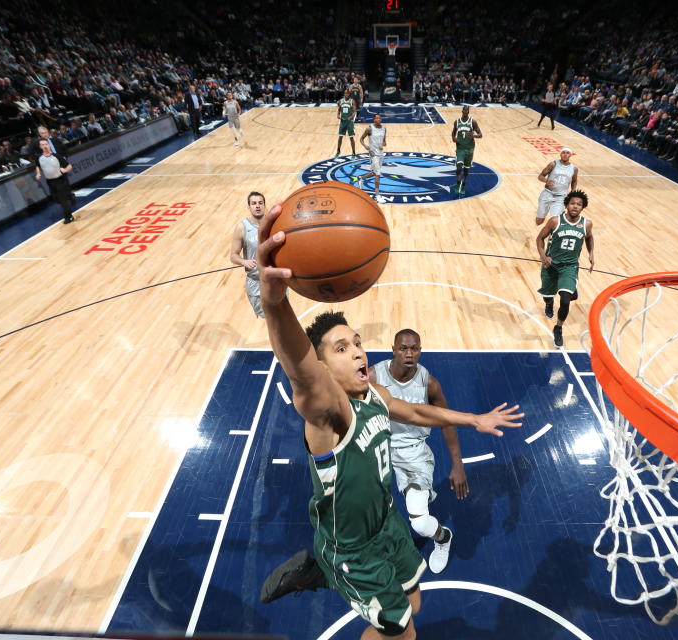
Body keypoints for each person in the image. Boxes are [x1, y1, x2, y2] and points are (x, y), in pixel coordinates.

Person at [255, 203, 523, 639]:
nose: (359, 351)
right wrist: (274, 301)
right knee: (402, 631)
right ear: (324, 369)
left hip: (386, 525)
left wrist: (473, 419)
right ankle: (327, 566)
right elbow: (300, 369)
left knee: (414, 600)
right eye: (341, 349)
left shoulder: (374, 393)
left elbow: (416, 411)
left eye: (357, 342)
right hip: (354, 549)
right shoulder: (330, 413)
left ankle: (319, 570)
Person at [369, 329, 467, 574]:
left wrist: (457, 464)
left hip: (413, 453)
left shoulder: (429, 384)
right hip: (377, 448)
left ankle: (443, 538)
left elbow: (446, 421)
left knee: (421, 524)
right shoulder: (373, 376)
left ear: (421, 351)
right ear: (393, 349)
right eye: (403, 348)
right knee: (368, 513)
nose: (409, 354)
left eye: (414, 349)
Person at [537, 190, 595, 348]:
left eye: (579, 204)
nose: (575, 206)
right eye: (573, 203)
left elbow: (589, 237)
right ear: (567, 205)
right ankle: (549, 303)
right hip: (551, 265)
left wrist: (591, 253)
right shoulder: (555, 221)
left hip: (569, 267)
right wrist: (543, 255)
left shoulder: (586, 224)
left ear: (582, 208)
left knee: (564, 300)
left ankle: (558, 327)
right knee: (548, 295)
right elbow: (540, 238)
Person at [229, 191, 266, 318]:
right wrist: (244, 262)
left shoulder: (273, 223)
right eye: (254, 203)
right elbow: (233, 255)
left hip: (275, 281)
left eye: (260, 203)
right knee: (265, 320)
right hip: (256, 282)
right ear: (249, 207)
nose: (257, 206)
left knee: (282, 318)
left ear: (264, 206)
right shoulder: (242, 227)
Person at [34, 139, 75, 224]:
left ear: (49, 145)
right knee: (55, 199)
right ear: (40, 147)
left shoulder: (56, 156)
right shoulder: (38, 157)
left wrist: (65, 170)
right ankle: (70, 196)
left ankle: (69, 217)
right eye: (42, 145)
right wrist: (38, 173)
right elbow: (38, 166)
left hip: (60, 180)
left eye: (46, 144)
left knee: (62, 199)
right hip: (49, 181)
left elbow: (70, 166)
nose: (45, 146)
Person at [535, 148, 579, 225]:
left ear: (570, 155)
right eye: (563, 152)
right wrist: (547, 181)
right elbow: (540, 176)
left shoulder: (574, 169)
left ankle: (551, 235)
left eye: (567, 153)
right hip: (547, 194)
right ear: (560, 154)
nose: (565, 154)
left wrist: (573, 192)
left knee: (556, 221)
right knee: (539, 221)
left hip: (560, 197)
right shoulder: (553, 164)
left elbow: (574, 181)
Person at [356, 114, 387, 202]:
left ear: (381, 119)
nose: (378, 119)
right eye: (376, 118)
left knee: (374, 172)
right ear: (373, 119)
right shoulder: (369, 129)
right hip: (373, 154)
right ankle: (377, 196)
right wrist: (365, 146)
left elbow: (384, 141)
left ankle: (361, 178)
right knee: (378, 174)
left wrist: (383, 144)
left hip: (381, 153)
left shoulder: (384, 128)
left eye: (379, 118)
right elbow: (361, 139)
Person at [452, 105, 482, 195]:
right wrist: (454, 138)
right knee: (459, 167)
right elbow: (453, 133)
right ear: (462, 111)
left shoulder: (473, 122)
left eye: (467, 110)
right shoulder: (457, 122)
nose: (465, 111)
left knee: (466, 170)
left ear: (468, 112)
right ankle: (457, 184)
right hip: (460, 148)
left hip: (469, 149)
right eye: (464, 110)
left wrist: (473, 135)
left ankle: (463, 185)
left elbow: (480, 135)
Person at [336, 88, 357, 157]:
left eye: (347, 93)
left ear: (349, 94)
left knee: (351, 137)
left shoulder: (352, 101)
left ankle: (353, 152)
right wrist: (338, 115)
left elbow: (354, 111)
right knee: (340, 137)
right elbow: (338, 111)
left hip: (349, 122)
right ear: (344, 94)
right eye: (345, 93)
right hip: (343, 121)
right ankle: (338, 151)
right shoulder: (341, 101)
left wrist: (352, 116)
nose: (346, 94)